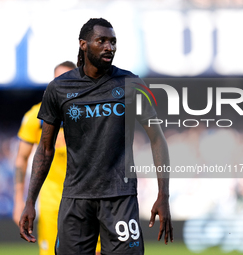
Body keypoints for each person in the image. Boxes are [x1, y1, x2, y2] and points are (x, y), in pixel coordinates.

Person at [20, 18, 173, 254]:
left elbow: (157, 139)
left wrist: (163, 195)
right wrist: (30, 200)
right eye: (101, 41)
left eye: (112, 42)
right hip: (75, 199)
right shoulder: (59, 88)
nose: (108, 47)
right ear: (83, 44)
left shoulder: (130, 83)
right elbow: (45, 148)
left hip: (120, 198)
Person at [14, 61, 100, 255]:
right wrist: (19, 200)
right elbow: (21, 159)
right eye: (60, 80)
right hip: (52, 203)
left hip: (89, 199)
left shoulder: (94, 112)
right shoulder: (36, 117)